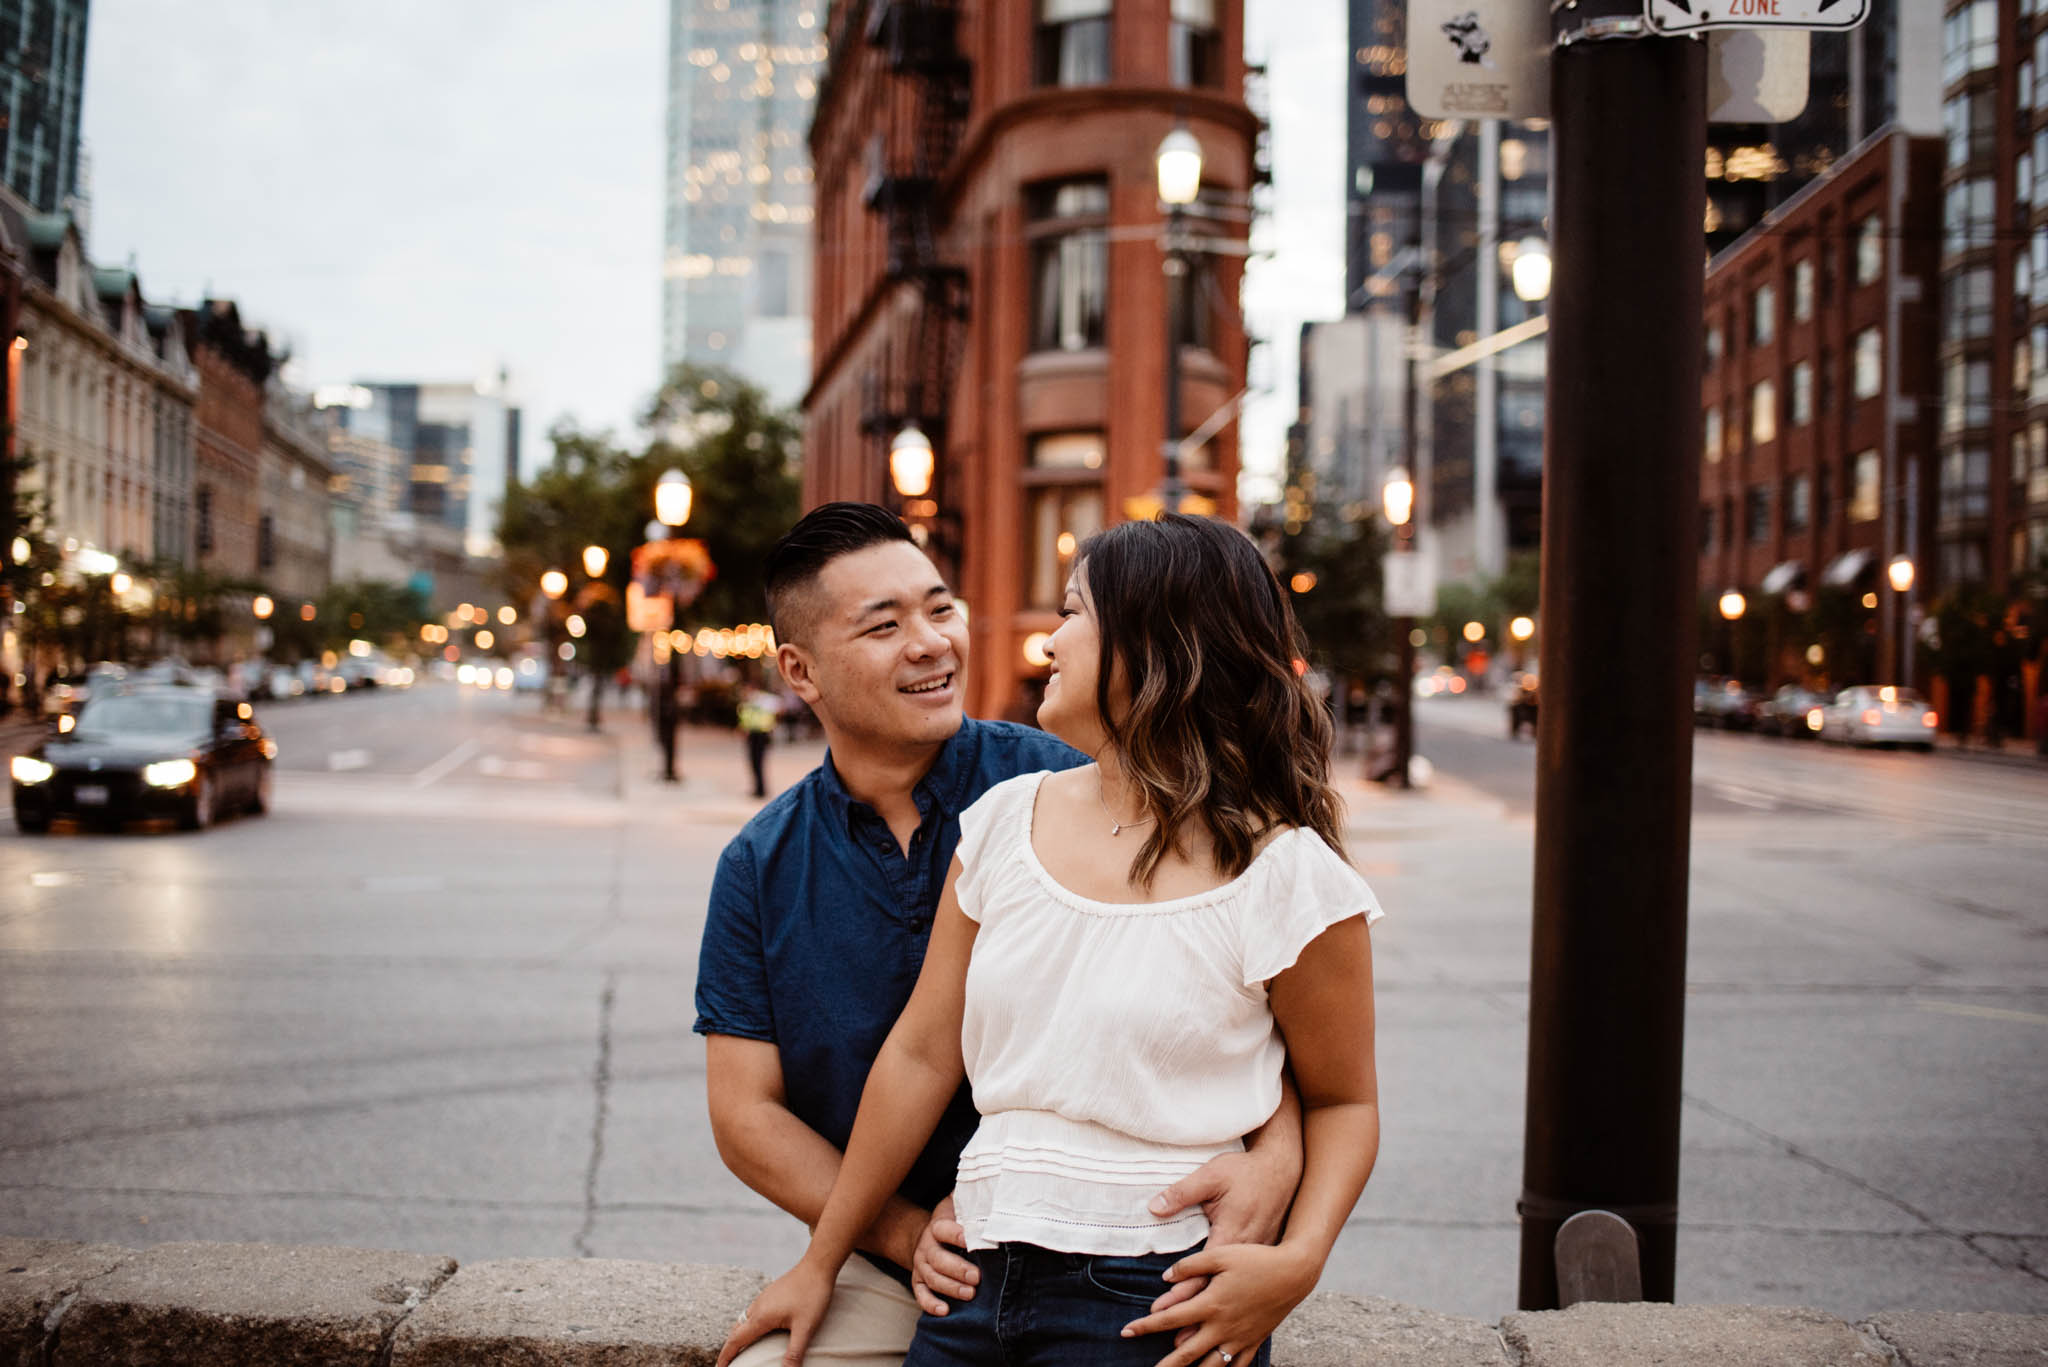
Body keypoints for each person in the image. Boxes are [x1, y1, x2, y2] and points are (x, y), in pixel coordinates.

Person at [719, 514, 1382, 1367]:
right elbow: (913, 1058)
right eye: (885, 625)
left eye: (1072, 613)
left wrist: (1294, 1246)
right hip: (970, 1272)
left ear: (1154, 648)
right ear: (800, 669)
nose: (1046, 641)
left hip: (1155, 1291)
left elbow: (1333, 1088)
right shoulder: (997, 821)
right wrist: (824, 1259)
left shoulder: (1285, 872)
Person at [736, 677, 779, 798]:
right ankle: (757, 787)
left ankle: (761, 788)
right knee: (753, 762)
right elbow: (745, 718)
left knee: (759, 762)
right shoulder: (747, 703)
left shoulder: (763, 700)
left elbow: (776, 710)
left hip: (761, 733)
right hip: (752, 733)